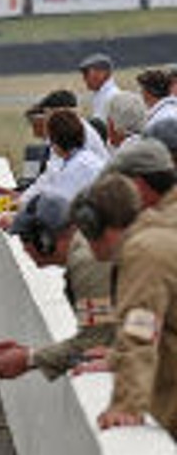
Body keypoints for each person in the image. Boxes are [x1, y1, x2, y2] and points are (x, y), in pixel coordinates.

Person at [76, 173, 177, 437]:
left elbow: (141, 329)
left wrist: (126, 405)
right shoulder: (159, 232)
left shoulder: (144, 252)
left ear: (95, 225)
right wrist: (115, 357)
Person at [0, 192, 114, 381]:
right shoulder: (88, 252)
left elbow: (95, 343)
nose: (24, 248)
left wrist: (29, 358)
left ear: (44, 239)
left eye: (25, 239)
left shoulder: (88, 263)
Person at [81, 52, 121, 134]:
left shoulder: (112, 96)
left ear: (102, 73)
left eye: (87, 74)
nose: (84, 79)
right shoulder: (100, 94)